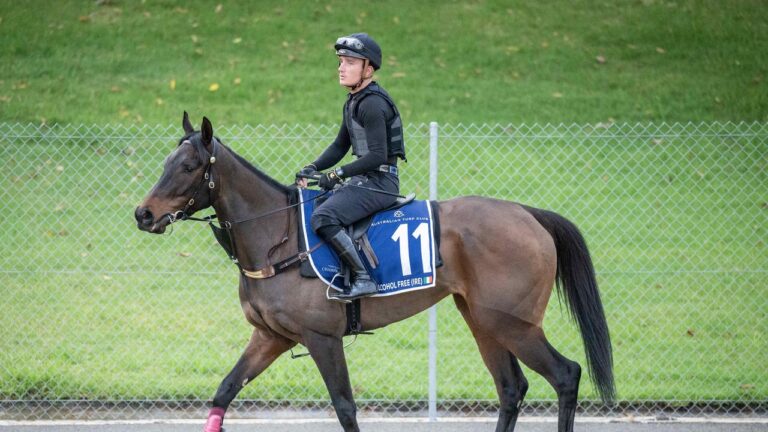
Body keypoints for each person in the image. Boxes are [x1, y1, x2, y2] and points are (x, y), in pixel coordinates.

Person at [296, 33, 406, 302]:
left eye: (350, 62)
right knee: (315, 205)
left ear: (368, 69)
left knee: (323, 217)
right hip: (366, 180)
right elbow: (339, 146)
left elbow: (378, 156)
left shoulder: (372, 103)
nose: (342, 68)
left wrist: (336, 175)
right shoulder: (354, 100)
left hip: (381, 184)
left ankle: (363, 279)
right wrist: (312, 167)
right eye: (340, 62)